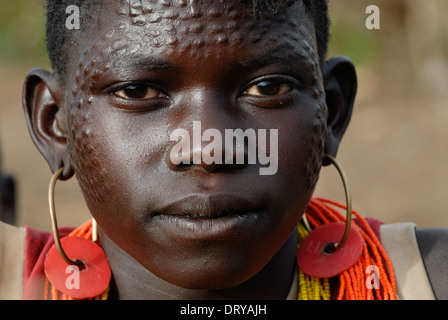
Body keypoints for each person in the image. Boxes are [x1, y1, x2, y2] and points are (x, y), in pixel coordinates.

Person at [0, 0, 447, 301]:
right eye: (138, 91)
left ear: (331, 111)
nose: (208, 149)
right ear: (55, 124)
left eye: (267, 87)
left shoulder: (428, 278)